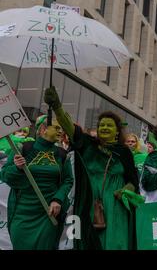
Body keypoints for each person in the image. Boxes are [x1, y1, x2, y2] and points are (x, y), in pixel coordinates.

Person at [44, 86, 139, 250]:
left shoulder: (124, 152)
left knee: (115, 242)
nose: (105, 128)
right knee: (88, 241)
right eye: (102, 125)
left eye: (109, 125)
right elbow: (71, 129)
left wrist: (125, 190)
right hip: (89, 200)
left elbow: (133, 180)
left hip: (115, 205)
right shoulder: (88, 145)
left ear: (117, 131)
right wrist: (58, 107)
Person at [0, 115, 73, 250]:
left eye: (61, 129)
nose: (60, 131)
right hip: (22, 213)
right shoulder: (22, 148)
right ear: (43, 129)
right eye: (56, 128)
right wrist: (17, 168)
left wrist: (58, 199)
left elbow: (68, 180)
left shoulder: (63, 154)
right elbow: (5, 175)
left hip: (48, 214)